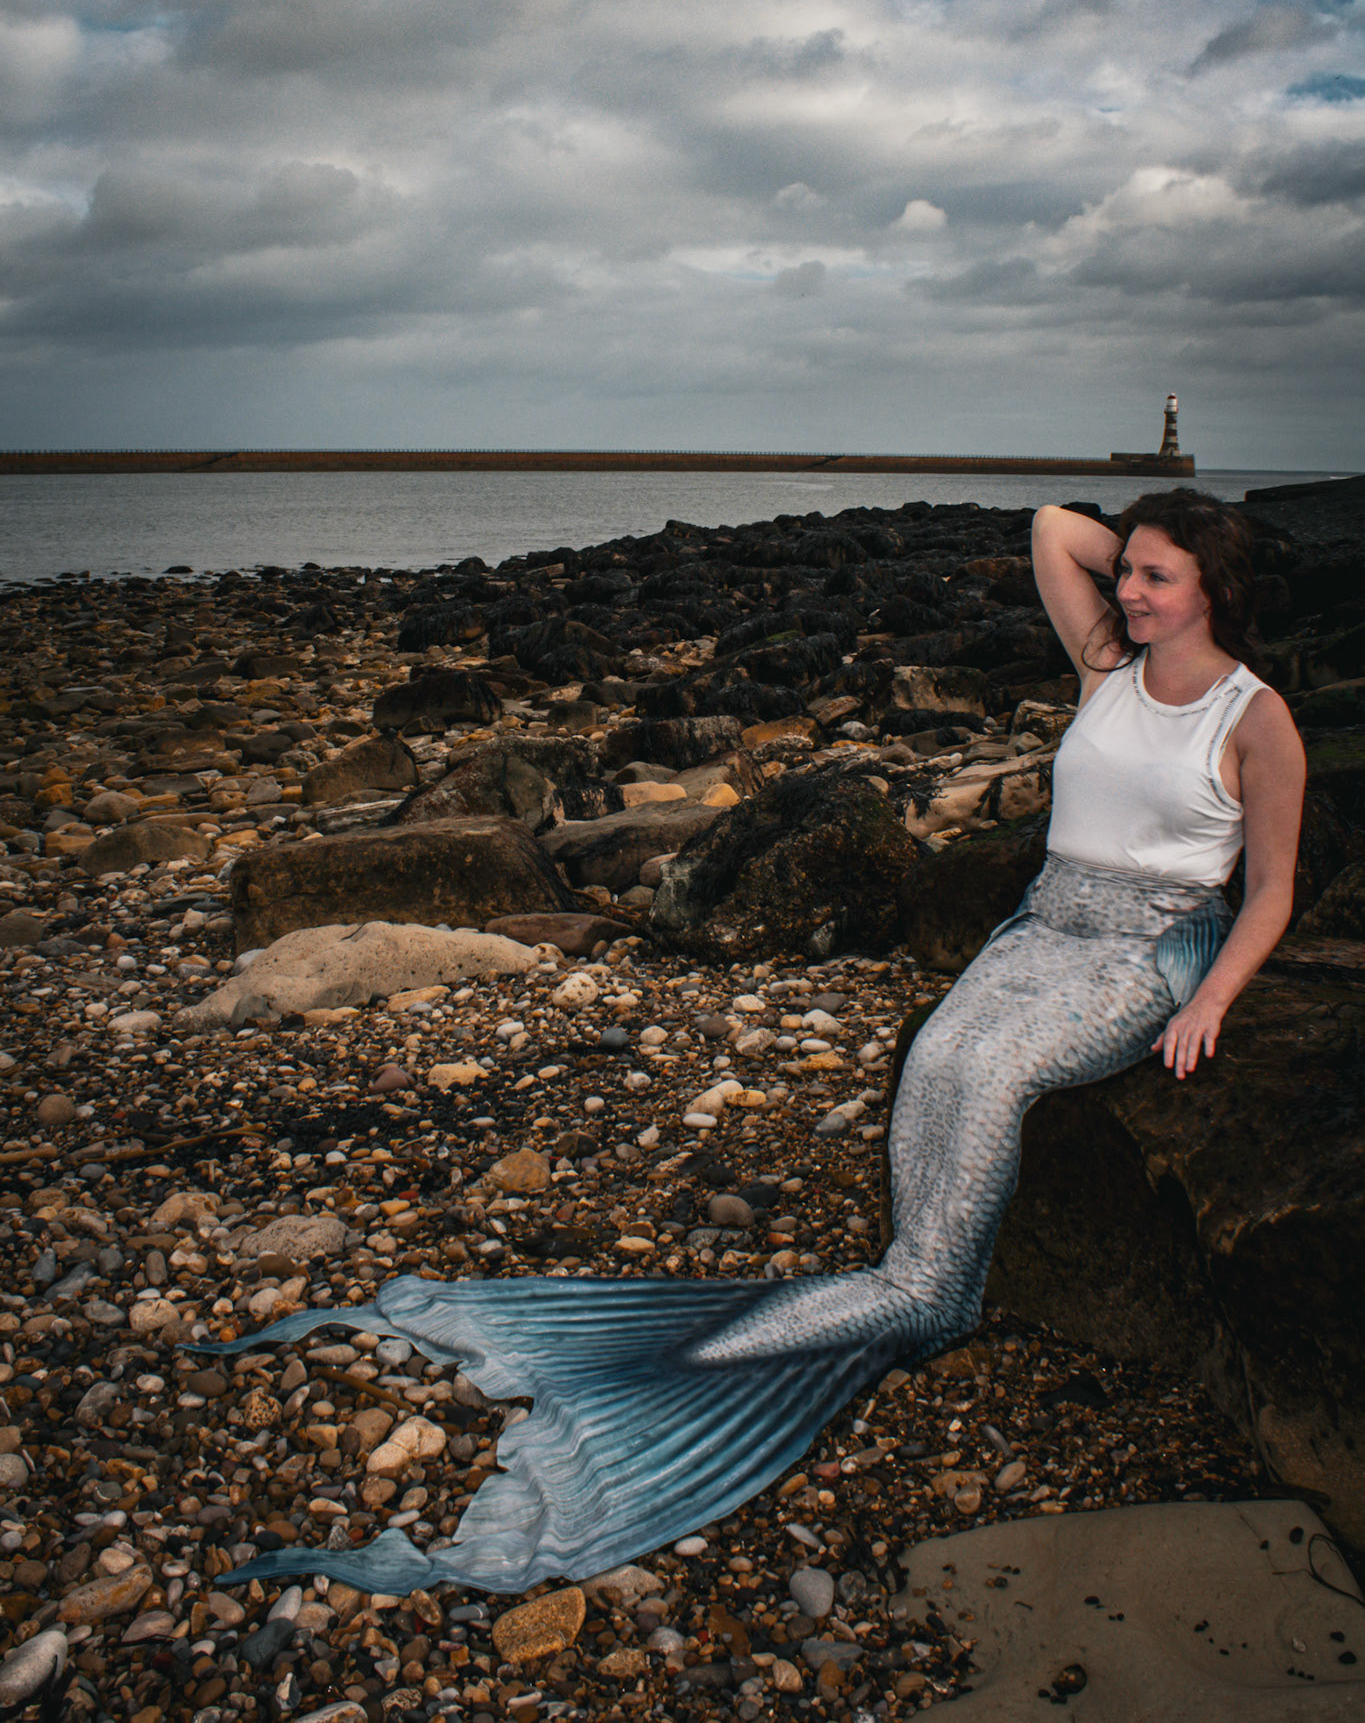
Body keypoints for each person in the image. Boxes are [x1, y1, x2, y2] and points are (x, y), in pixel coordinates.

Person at [225, 489, 1305, 1600]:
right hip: (1045, 918)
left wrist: (1211, 999)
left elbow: (1269, 888)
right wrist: (1145, 553)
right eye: (1125, 571)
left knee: (993, 1068)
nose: (1127, 590)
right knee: (937, 1054)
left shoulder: (1253, 717)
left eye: (1156, 578)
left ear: (1213, 590)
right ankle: (918, 1272)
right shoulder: (1106, 664)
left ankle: (934, 1291)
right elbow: (1048, 526)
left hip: (1150, 941)